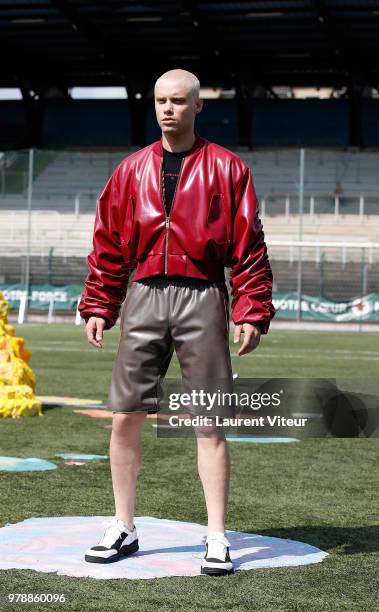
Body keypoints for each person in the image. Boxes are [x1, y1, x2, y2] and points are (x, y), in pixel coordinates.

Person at [78, 69, 275, 576]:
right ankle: (124, 525)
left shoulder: (228, 169)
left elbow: (248, 245)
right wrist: (100, 302)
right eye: (161, 101)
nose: (168, 109)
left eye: (179, 101)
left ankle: (216, 535)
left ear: (198, 107)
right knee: (125, 415)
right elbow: (108, 242)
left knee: (209, 420)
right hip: (142, 295)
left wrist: (250, 308)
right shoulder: (129, 170)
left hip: (203, 294)